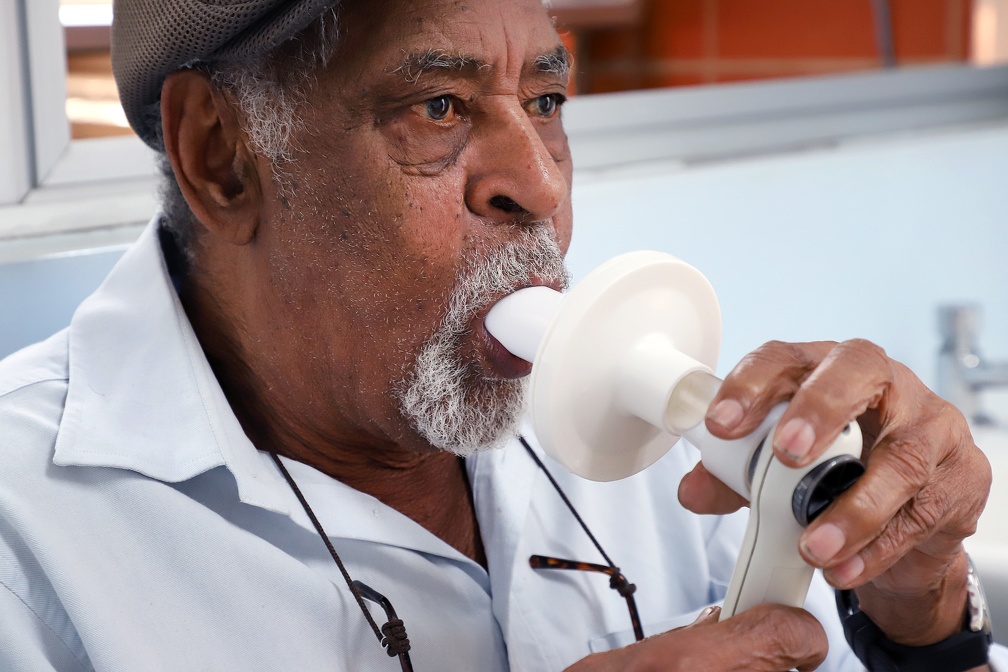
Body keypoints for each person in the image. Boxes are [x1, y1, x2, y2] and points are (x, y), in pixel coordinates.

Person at [0, 0, 1001, 669]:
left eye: (548, 101)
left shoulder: (645, 430)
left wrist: (922, 615)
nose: (543, 183)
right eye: (438, 106)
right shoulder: (28, 538)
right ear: (222, 157)